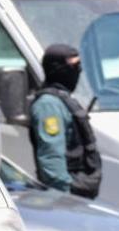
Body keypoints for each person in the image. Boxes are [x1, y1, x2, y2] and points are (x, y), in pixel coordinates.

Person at [29, 43, 102, 198]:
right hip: (66, 197)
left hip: (79, 192)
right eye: (74, 65)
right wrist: (66, 196)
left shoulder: (63, 99)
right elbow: (51, 159)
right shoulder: (48, 105)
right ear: (57, 68)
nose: (79, 70)